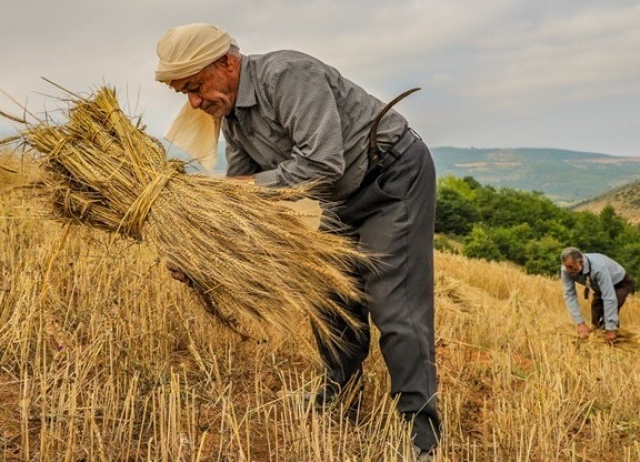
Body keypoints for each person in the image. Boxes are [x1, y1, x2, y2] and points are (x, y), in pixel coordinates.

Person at [155, 23, 440, 455]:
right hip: (335, 196)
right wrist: (202, 247)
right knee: (330, 297)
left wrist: (243, 190)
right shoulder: (233, 118)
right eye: (185, 94)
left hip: (390, 178)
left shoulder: (287, 75)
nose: (195, 102)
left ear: (226, 63)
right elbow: (244, 196)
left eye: (196, 86)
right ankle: (336, 397)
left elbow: (322, 162)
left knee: (394, 303)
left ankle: (420, 433)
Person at [560, 247, 636, 343]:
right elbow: (570, 295)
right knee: (596, 320)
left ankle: (615, 344)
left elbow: (609, 298)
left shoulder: (598, 268)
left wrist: (610, 329)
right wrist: (580, 323)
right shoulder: (566, 270)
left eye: (570, 267)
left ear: (581, 262)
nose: (568, 270)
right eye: (565, 266)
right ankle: (599, 348)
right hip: (599, 286)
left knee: (606, 319)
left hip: (620, 283)